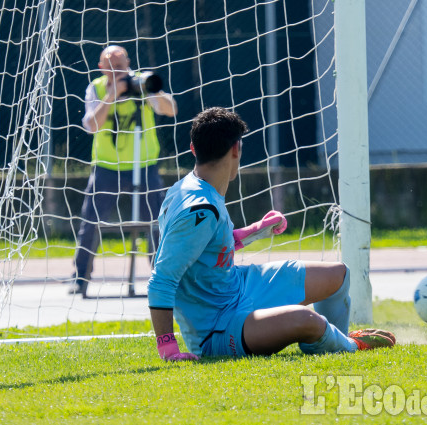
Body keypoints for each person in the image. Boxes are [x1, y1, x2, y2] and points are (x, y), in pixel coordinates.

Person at [147, 107, 396, 360]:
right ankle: (350, 346)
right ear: (236, 149)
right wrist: (168, 350)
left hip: (238, 286)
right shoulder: (198, 209)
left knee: (338, 275)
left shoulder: (190, 188)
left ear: (192, 148)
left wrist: (257, 230)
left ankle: (331, 343)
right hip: (219, 327)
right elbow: (162, 280)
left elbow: (209, 246)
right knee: (308, 319)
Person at [70, 45, 178, 296]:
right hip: (108, 167)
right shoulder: (96, 87)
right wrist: (112, 95)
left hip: (145, 165)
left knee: (157, 223)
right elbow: (91, 125)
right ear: (102, 68)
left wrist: (152, 89)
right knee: (90, 222)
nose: (119, 72)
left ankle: (162, 277)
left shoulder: (140, 82)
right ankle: (80, 277)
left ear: (128, 63)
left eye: (121, 66)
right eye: (112, 68)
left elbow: (171, 110)